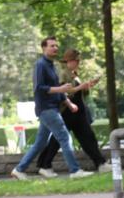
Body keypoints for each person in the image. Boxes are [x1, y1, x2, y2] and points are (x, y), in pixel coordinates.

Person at [10, 37, 93, 180]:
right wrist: (59, 88)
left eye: (56, 46)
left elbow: (60, 91)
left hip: (52, 108)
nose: (55, 48)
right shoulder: (40, 65)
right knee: (65, 137)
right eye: (51, 46)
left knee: (40, 143)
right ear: (44, 48)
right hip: (46, 109)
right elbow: (39, 88)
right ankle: (75, 170)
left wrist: (69, 104)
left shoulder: (52, 66)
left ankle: (19, 169)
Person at [36, 48, 111, 177]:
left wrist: (87, 87)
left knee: (87, 137)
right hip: (68, 111)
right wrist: (81, 87)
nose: (78, 63)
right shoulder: (63, 74)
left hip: (78, 112)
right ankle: (44, 164)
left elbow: (79, 92)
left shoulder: (74, 73)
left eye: (78, 60)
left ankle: (100, 163)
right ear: (69, 61)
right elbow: (65, 92)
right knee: (58, 139)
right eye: (76, 60)